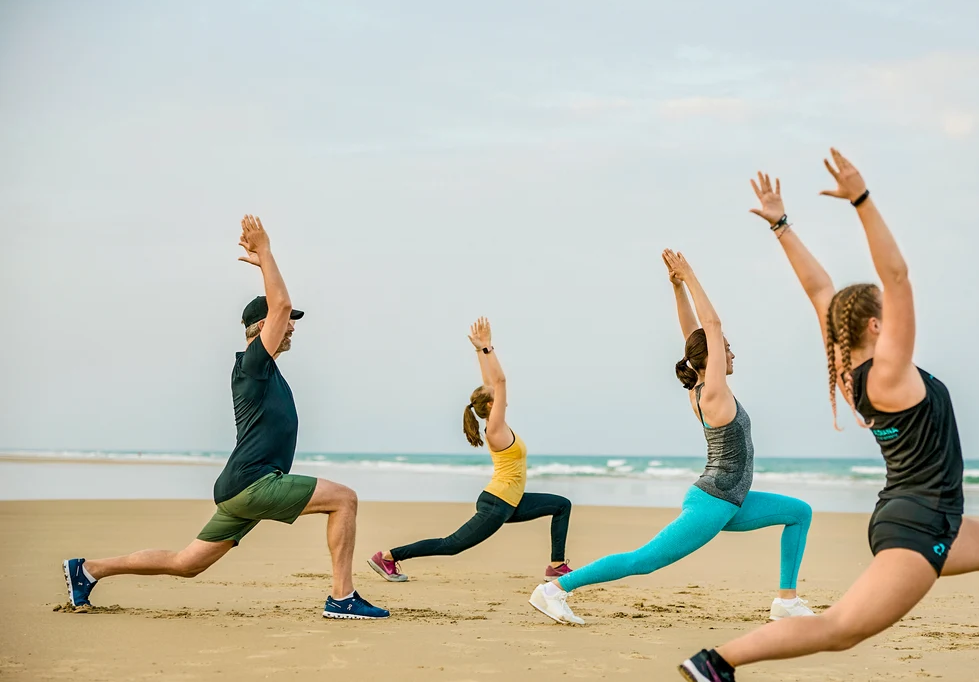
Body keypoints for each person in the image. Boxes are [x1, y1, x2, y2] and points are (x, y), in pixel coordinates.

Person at [678, 150, 979, 682]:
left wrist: (781, 225)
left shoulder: (850, 372)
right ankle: (719, 662)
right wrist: (863, 201)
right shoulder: (890, 374)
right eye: (886, 313)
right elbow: (896, 275)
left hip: (922, 512)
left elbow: (819, 290)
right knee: (842, 628)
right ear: (876, 325)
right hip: (918, 525)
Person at [63, 215, 389, 620]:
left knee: (188, 563)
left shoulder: (263, 371)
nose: (292, 328)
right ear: (262, 326)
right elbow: (281, 303)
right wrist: (266, 252)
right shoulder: (253, 364)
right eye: (287, 322)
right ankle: (342, 597)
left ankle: (89, 569)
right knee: (344, 499)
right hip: (254, 482)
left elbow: (281, 309)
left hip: (240, 484)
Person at [529, 250, 814, 626]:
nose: (731, 353)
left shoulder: (700, 387)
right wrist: (691, 274)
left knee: (799, 512)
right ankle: (555, 590)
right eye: (726, 348)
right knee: (644, 561)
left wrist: (677, 288)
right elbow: (710, 326)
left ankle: (787, 602)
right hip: (714, 501)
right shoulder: (713, 393)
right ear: (712, 356)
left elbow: (693, 334)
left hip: (732, 499)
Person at [367, 317, 574, 582]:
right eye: (498, 398)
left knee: (561, 505)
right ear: (490, 406)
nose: (504, 399)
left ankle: (556, 565)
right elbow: (499, 381)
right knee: (451, 545)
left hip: (511, 502)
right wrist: (489, 349)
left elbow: (491, 382)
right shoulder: (495, 429)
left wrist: (479, 350)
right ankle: (388, 557)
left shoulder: (497, 423)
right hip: (497, 504)